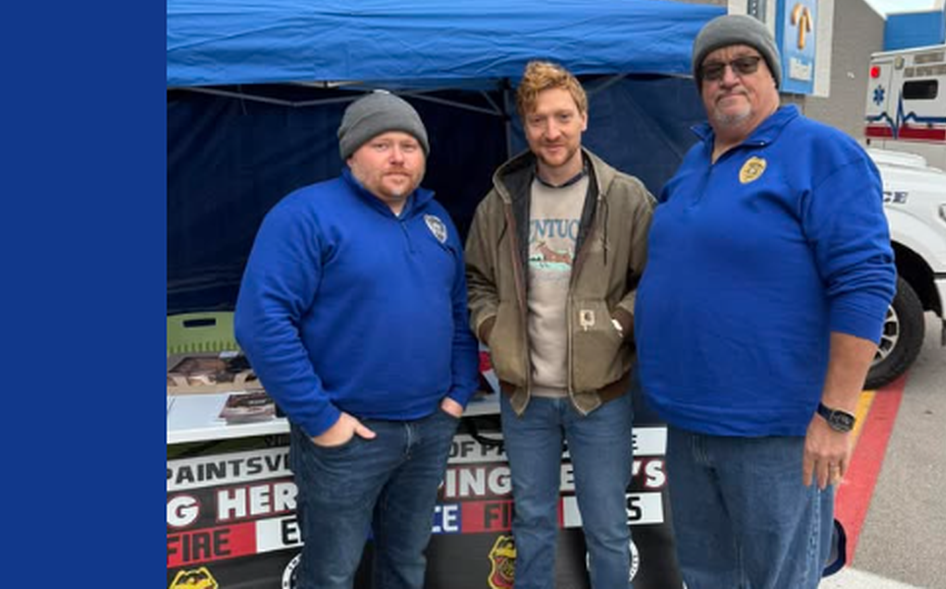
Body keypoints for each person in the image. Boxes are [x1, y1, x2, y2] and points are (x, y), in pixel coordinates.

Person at [634, 14, 898, 589]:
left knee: (777, 580)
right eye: (712, 70)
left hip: (775, 434)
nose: (727, 77)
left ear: (773, 75)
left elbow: (864, 281)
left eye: (744, 64)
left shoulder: (821, 153)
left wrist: (836, 415)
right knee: (706, 578)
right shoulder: (692, 163)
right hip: (689, 423)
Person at [234, 92, 479, 589]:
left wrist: (458, 392)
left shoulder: (435, 220)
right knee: (330, 574)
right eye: (381, 144)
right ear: (351, 155)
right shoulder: (306, 214)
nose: (398, 157)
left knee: (406, 563)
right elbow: (263, 322)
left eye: (409, 146)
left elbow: (457, 311)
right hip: (348, 437)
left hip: (428, 428)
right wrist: (321, 420)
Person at [465, 61, 655, 589]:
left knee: (608, 528)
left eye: (563, 117)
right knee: (531, 523)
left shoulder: (625, 196)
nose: (552, 131)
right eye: (538, 120)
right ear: (524, 126)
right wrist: (493, 328)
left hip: (600, 399)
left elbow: (655, 279)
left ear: (583, 118)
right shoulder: (500, 202)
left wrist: (617, 323)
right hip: (525, 400)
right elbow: (476, 280)